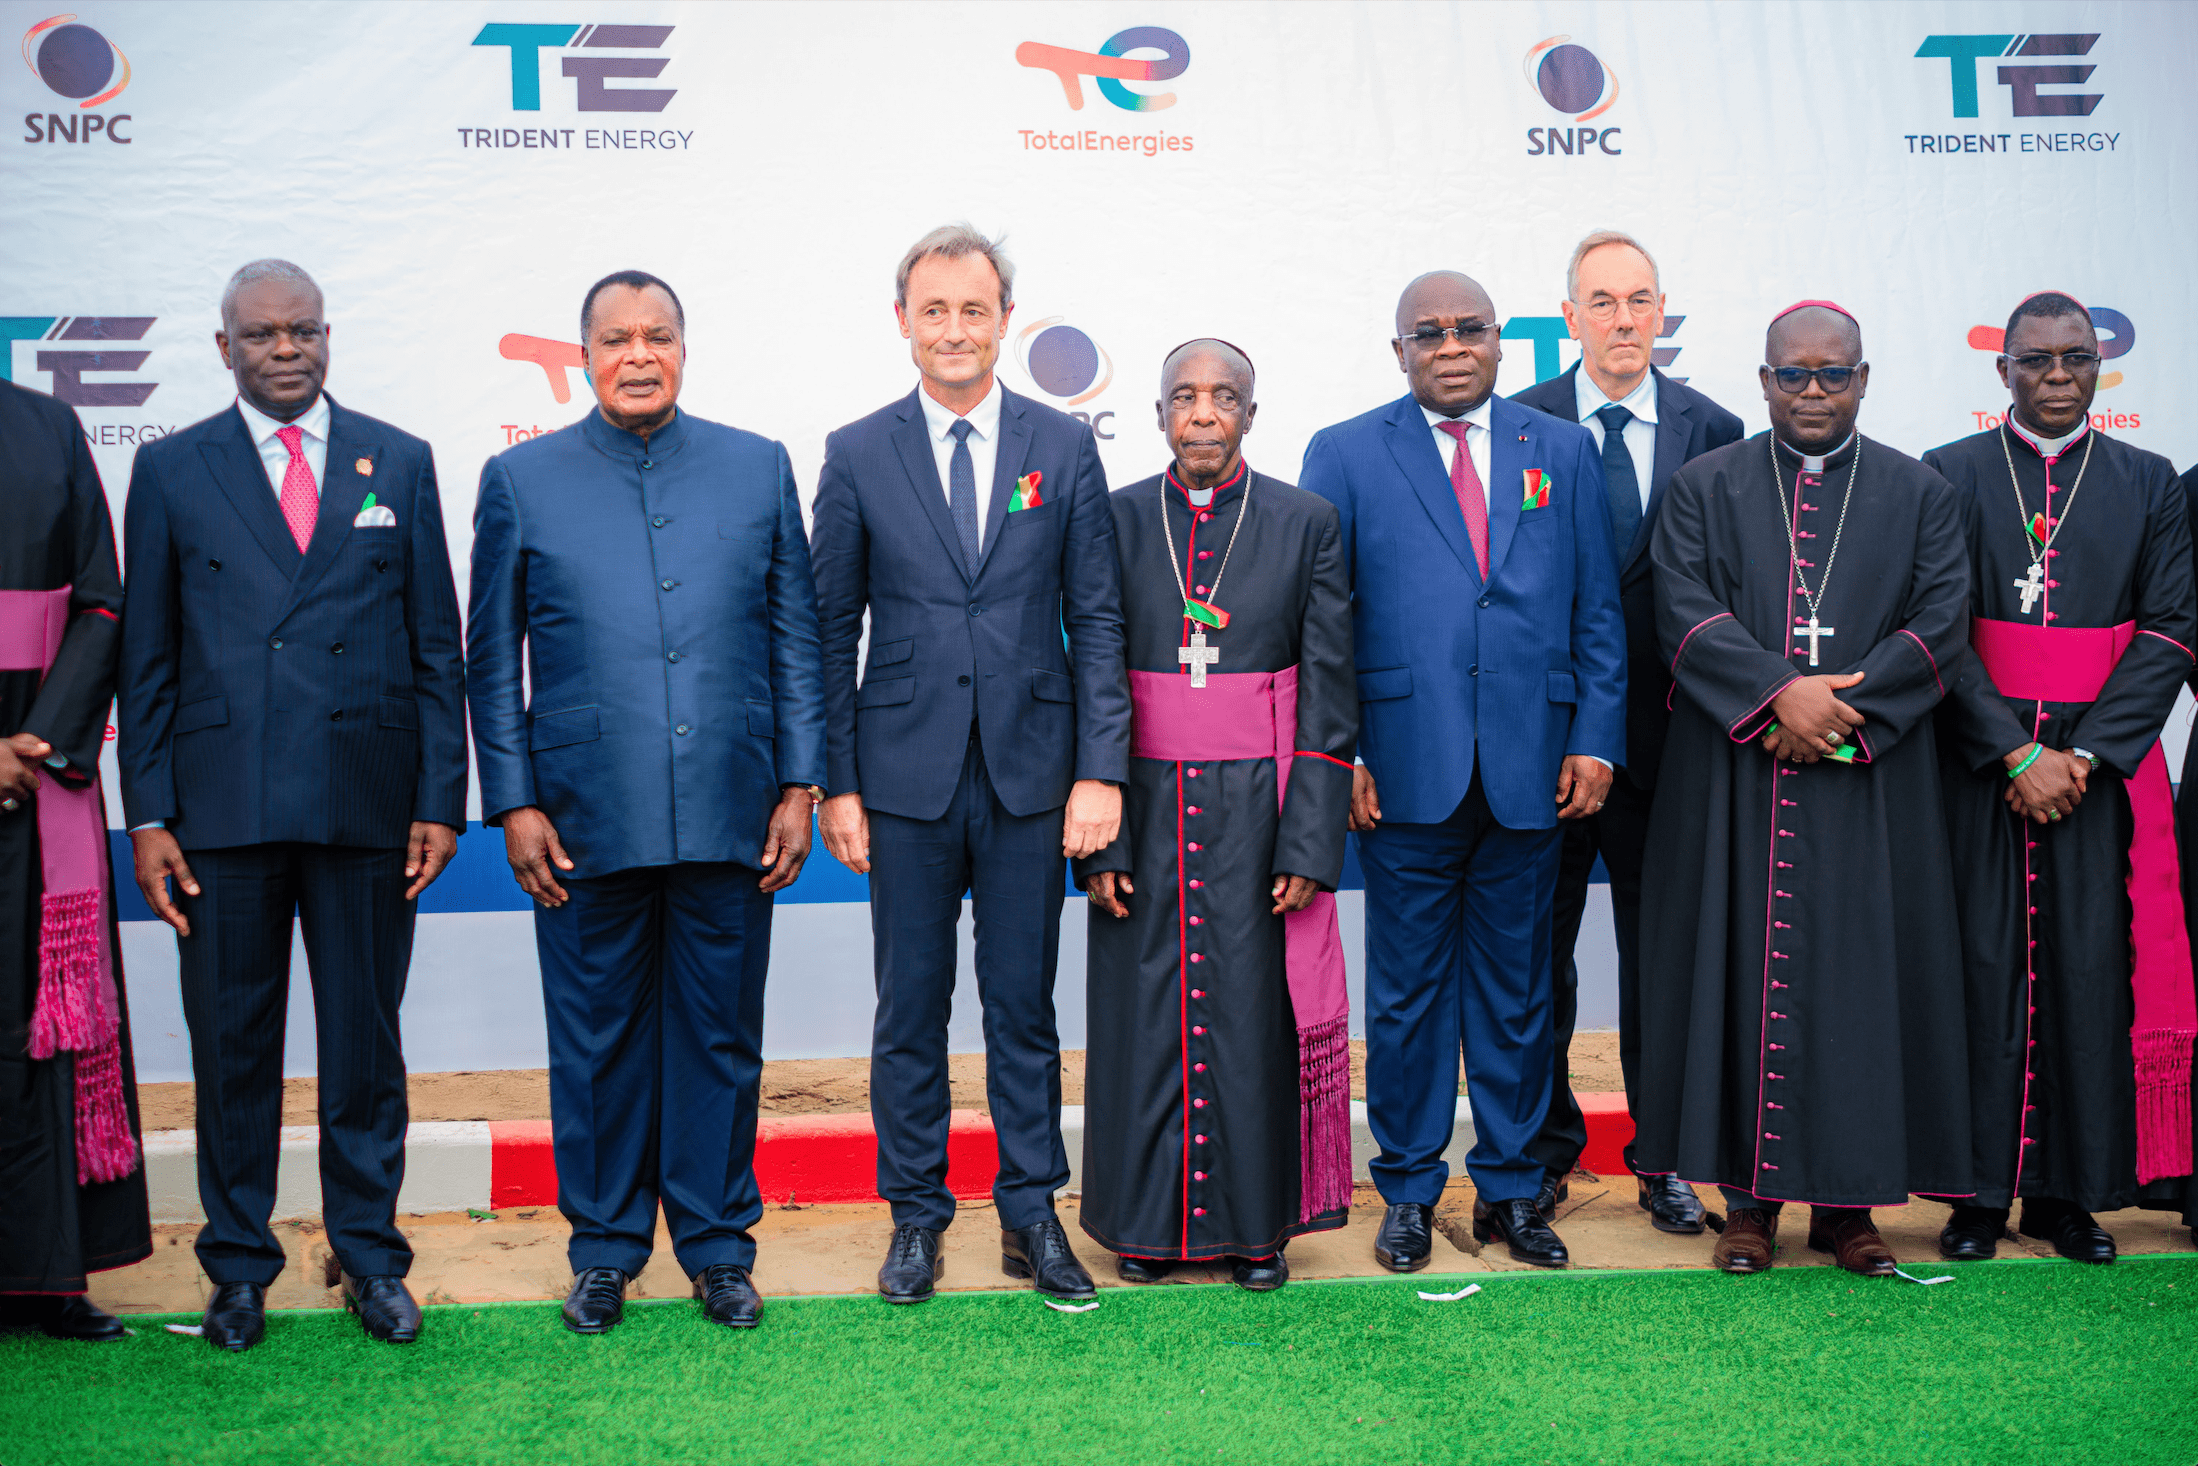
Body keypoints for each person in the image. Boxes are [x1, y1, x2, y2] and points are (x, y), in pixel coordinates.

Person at [117, 260, 467, 1348]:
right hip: (220, 812)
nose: (285, 348)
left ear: (328, 338)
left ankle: (368, 1255)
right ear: (224, 348)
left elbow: (432, 646)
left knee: (365, 1045)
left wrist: (440, 798)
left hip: (367, 802)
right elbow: (148, 659)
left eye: (303, 329)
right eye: (262, 333)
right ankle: (236, 1264)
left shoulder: (395, 459)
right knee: (232, 1046)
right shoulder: (173, 471)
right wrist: (151, 814)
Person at [468, 270, 826, 1334]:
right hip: (581, 816)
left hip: (731, 806)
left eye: (657, 336)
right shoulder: (520, 479)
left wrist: (799, 781)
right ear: (583, 356)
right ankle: (606, 1247)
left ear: (683, 348)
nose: (637, 354)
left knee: (719, 1036)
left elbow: (795, 637)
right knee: (596, 1040)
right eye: (615, 338)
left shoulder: (754, 467)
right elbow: (492, 658)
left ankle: (718, 1245)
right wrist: (513, 799)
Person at [811, 224, 1129, 1305]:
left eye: (973, 309)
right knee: (908, 1005)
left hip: (1034, 777)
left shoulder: (1062, 444)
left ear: (1004, 320)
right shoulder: (855, 451)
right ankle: (914, 1214)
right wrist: (836, 782)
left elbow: (1094, 613)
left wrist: (1101, 771)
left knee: (1021, 1003)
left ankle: (1031, 1209)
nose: (953, 329)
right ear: (903, 322)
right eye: (933, 309)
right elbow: (826, 627)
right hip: (897, 780)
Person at [1635, 301, 1973, 1277]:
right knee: (1739, 975)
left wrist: (1836, 711)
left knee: (1857, 988)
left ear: (1862, 379)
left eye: (1832, 374)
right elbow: (1682, 609)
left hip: (1869, 788)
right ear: (1763, 381)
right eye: (1793, 375)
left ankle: (1847, 1207)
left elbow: (1940, 618)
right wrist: (1776, 691)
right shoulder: (1703, 485)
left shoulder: (1918, 491)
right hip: (1737, 780)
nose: (1812, 391)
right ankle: (1747, 1206)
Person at [1300, 271, 1625, 1271]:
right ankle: (1404, 1187)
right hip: (1399, 770)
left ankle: (1514, 1189)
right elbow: (1322, 621)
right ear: (1396, 349)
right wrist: (1340, 749)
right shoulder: (1346, 451)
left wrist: (1593, 735)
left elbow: (1597, 609)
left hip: (1535, 765)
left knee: (1519, 990)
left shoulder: (1561, 449)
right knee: (1405, 994)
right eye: (1426, 332)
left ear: (1499, 341)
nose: (1449, 345)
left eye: (1468, 329)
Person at [1075, 340, 1356, 1291]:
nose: (1203, 413)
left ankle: (1255, 1227)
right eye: (1185, 398)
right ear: (1157, 414)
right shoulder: (1113, 520)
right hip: (1142, 803)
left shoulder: (1304, 521)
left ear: (1249, 412)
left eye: (1223, 397)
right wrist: (1102, 834)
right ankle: (1142, 1226)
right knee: (1141, 1018)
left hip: (1260, 810)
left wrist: (1312, 839)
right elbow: (1093, 677)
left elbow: (1329, 687)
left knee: (1249, 1017)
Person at [1927, 292, 2197, 1264]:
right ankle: (1973, 1192)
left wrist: (2079, 756)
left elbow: (2169, 626)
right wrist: (2012, 750)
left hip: (2096, 777)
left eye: (2073, 359)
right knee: (1980, 971)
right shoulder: (1948, 474)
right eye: (2034, 359)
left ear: (2097, 369)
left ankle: (2067, 1196)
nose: (2054, 375)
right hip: (1983, 769)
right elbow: (1937, 631)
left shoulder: (2145, 480)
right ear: (2000, 369)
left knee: (2086, 972)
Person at [1509, 230, 1744, 1233]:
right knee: (1533, 959)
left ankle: (1666, 1156)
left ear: (1661, 314)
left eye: (1637, 300)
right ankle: (1545, 1154)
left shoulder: (1718, 426)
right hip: (1538, 744)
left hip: (1672, 744)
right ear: (1567, 317)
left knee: (1665, 962)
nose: (1619, 319)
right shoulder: (1515, 425)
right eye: (1598, 301)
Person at [0, 378, 146, 1342]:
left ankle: (45, 1273)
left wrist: (37, 737)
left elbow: (101, 600)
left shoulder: (45, 424)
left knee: (42, 1024)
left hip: (33, 777)